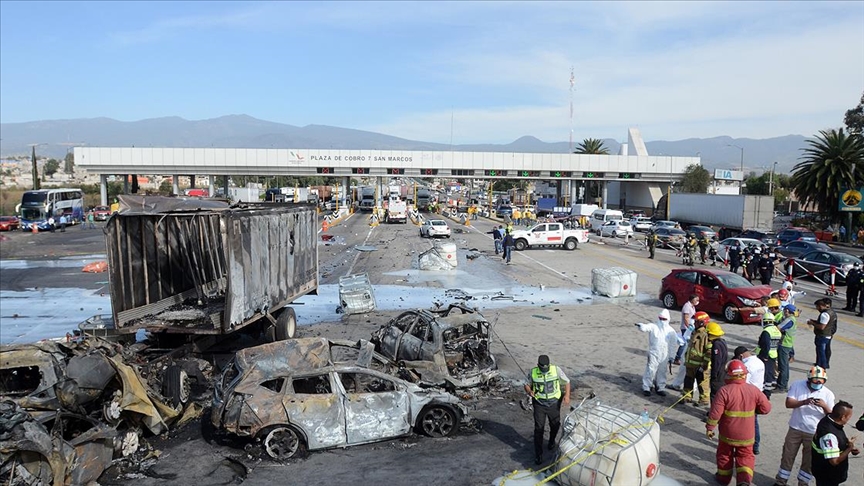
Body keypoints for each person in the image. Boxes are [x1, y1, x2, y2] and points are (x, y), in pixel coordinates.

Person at [706, 359, 772, 486]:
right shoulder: (753, 390)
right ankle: (744, 481)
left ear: (729, 374)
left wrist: (710, 427)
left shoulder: (724, 391)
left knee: (725, 455)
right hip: (747, 435)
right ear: (744, 374)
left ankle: (723, 479)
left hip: (727, 434)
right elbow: (766, 408)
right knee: (746, 457)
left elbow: (715, 413)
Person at [774, 366, 835, 486]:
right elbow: (788, 403)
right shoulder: (797, 385)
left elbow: (832, 416)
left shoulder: (828, 394)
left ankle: (803, 482)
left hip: (813, 432)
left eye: (820, 382)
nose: (817, 383)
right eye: (815, 381)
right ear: (809, 379)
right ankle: (781, 481)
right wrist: (804, 402)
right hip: (795, 429)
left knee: (809, 461)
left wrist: (823, 406)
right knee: (787, 455)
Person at [524, 355, 571, 465]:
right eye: (542, 369)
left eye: (546, 369)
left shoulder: (556, 370)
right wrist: (529, 391)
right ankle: (538, 454)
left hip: (554, 403)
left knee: (555, 425)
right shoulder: (533, 372)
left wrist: (567, 395)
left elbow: (567, 382)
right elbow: (526, 384)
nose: (544, 371)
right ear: (538, 366)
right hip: (539, 404)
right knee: (539, 428)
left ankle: (551, 441)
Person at [811, 401, 859, 486]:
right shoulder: (829, 435)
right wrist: (849, 448)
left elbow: (837, 441)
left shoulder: (828, 419)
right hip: (827, 476)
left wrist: (846, 444)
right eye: (849, 417)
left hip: (824, 472)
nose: (849, 419)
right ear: (843, 417)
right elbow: (834, 461)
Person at [635, 309, 679, 397]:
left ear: (668, 319)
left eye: (664, 319)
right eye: (661, 318)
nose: (662, 321)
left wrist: (672, 356)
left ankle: (660, 388)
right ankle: (647, 387)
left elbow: (673, 345)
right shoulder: (654, 326)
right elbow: (646, 327)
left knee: (662, 372)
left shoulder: (671, 331)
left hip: (665, 355)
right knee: (650, 369)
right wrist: (641, 326)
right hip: (654, 353)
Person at [734, 346, 766, 455]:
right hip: (758, 393)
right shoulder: (759, 362)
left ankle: (743, 444)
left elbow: (742, 383)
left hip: (747, 396)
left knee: (743, 422)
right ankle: (755, 446)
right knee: (754, 421)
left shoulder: (746, 366)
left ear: (741, 356)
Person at [683, 311, 712, 406]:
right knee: (688, 380)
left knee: (702, 383)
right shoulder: (694, 332)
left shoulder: (705, 335)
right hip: (690, 363)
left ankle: (704, 400)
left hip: (700, 365)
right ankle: (687, 396)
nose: (694, 323)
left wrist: (704, 365)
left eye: (696, 321)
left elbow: (709, 352)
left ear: (702, 322)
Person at [756, 299, 783, 391]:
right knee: (770, 373)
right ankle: (768, 390)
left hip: (765, 356)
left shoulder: (766, 331)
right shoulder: (776, 330)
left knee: (764, 373)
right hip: (774, 354)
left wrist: (764, 355)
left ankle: (764, 392)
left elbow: (766, 345)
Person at [807, 299, 836, 370]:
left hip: (822, 336)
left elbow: (822, 326)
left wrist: (812, 323)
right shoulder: (832, 312)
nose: (817, 309)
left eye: (817, 307)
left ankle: (822, 367)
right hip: (828, 334)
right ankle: (820, 364)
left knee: (821, 352)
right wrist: (814, 321)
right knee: (824, 351)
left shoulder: (824, 314)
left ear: (820, 306)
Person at [776, 304, 798, 393]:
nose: (783, 312)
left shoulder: (789, 320)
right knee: (784, 366)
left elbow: (778, 328)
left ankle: (782, 386)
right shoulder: (793, 319)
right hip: (788, 344)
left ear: (787, 311)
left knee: (783, 366)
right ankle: (782, 383)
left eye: (784, 310)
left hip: (784, 344)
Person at [706, 321, 728, 403]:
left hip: (718, 374)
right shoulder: (722, 341)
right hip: (723, 372)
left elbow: (717, 361)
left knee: (715, 394)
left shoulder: (716, 345)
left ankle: (714, 413)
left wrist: (714, 374)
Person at [675, 294, 699, 365]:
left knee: (688, 343)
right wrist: (688, 327)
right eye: (696, 300)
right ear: (692, 299)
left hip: (690, 327)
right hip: (685, 328)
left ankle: (683, 356)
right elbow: (686, 318)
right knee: (684, 343)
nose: (697, 301)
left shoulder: (692, 307)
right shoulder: (687, 306)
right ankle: (677, 358)